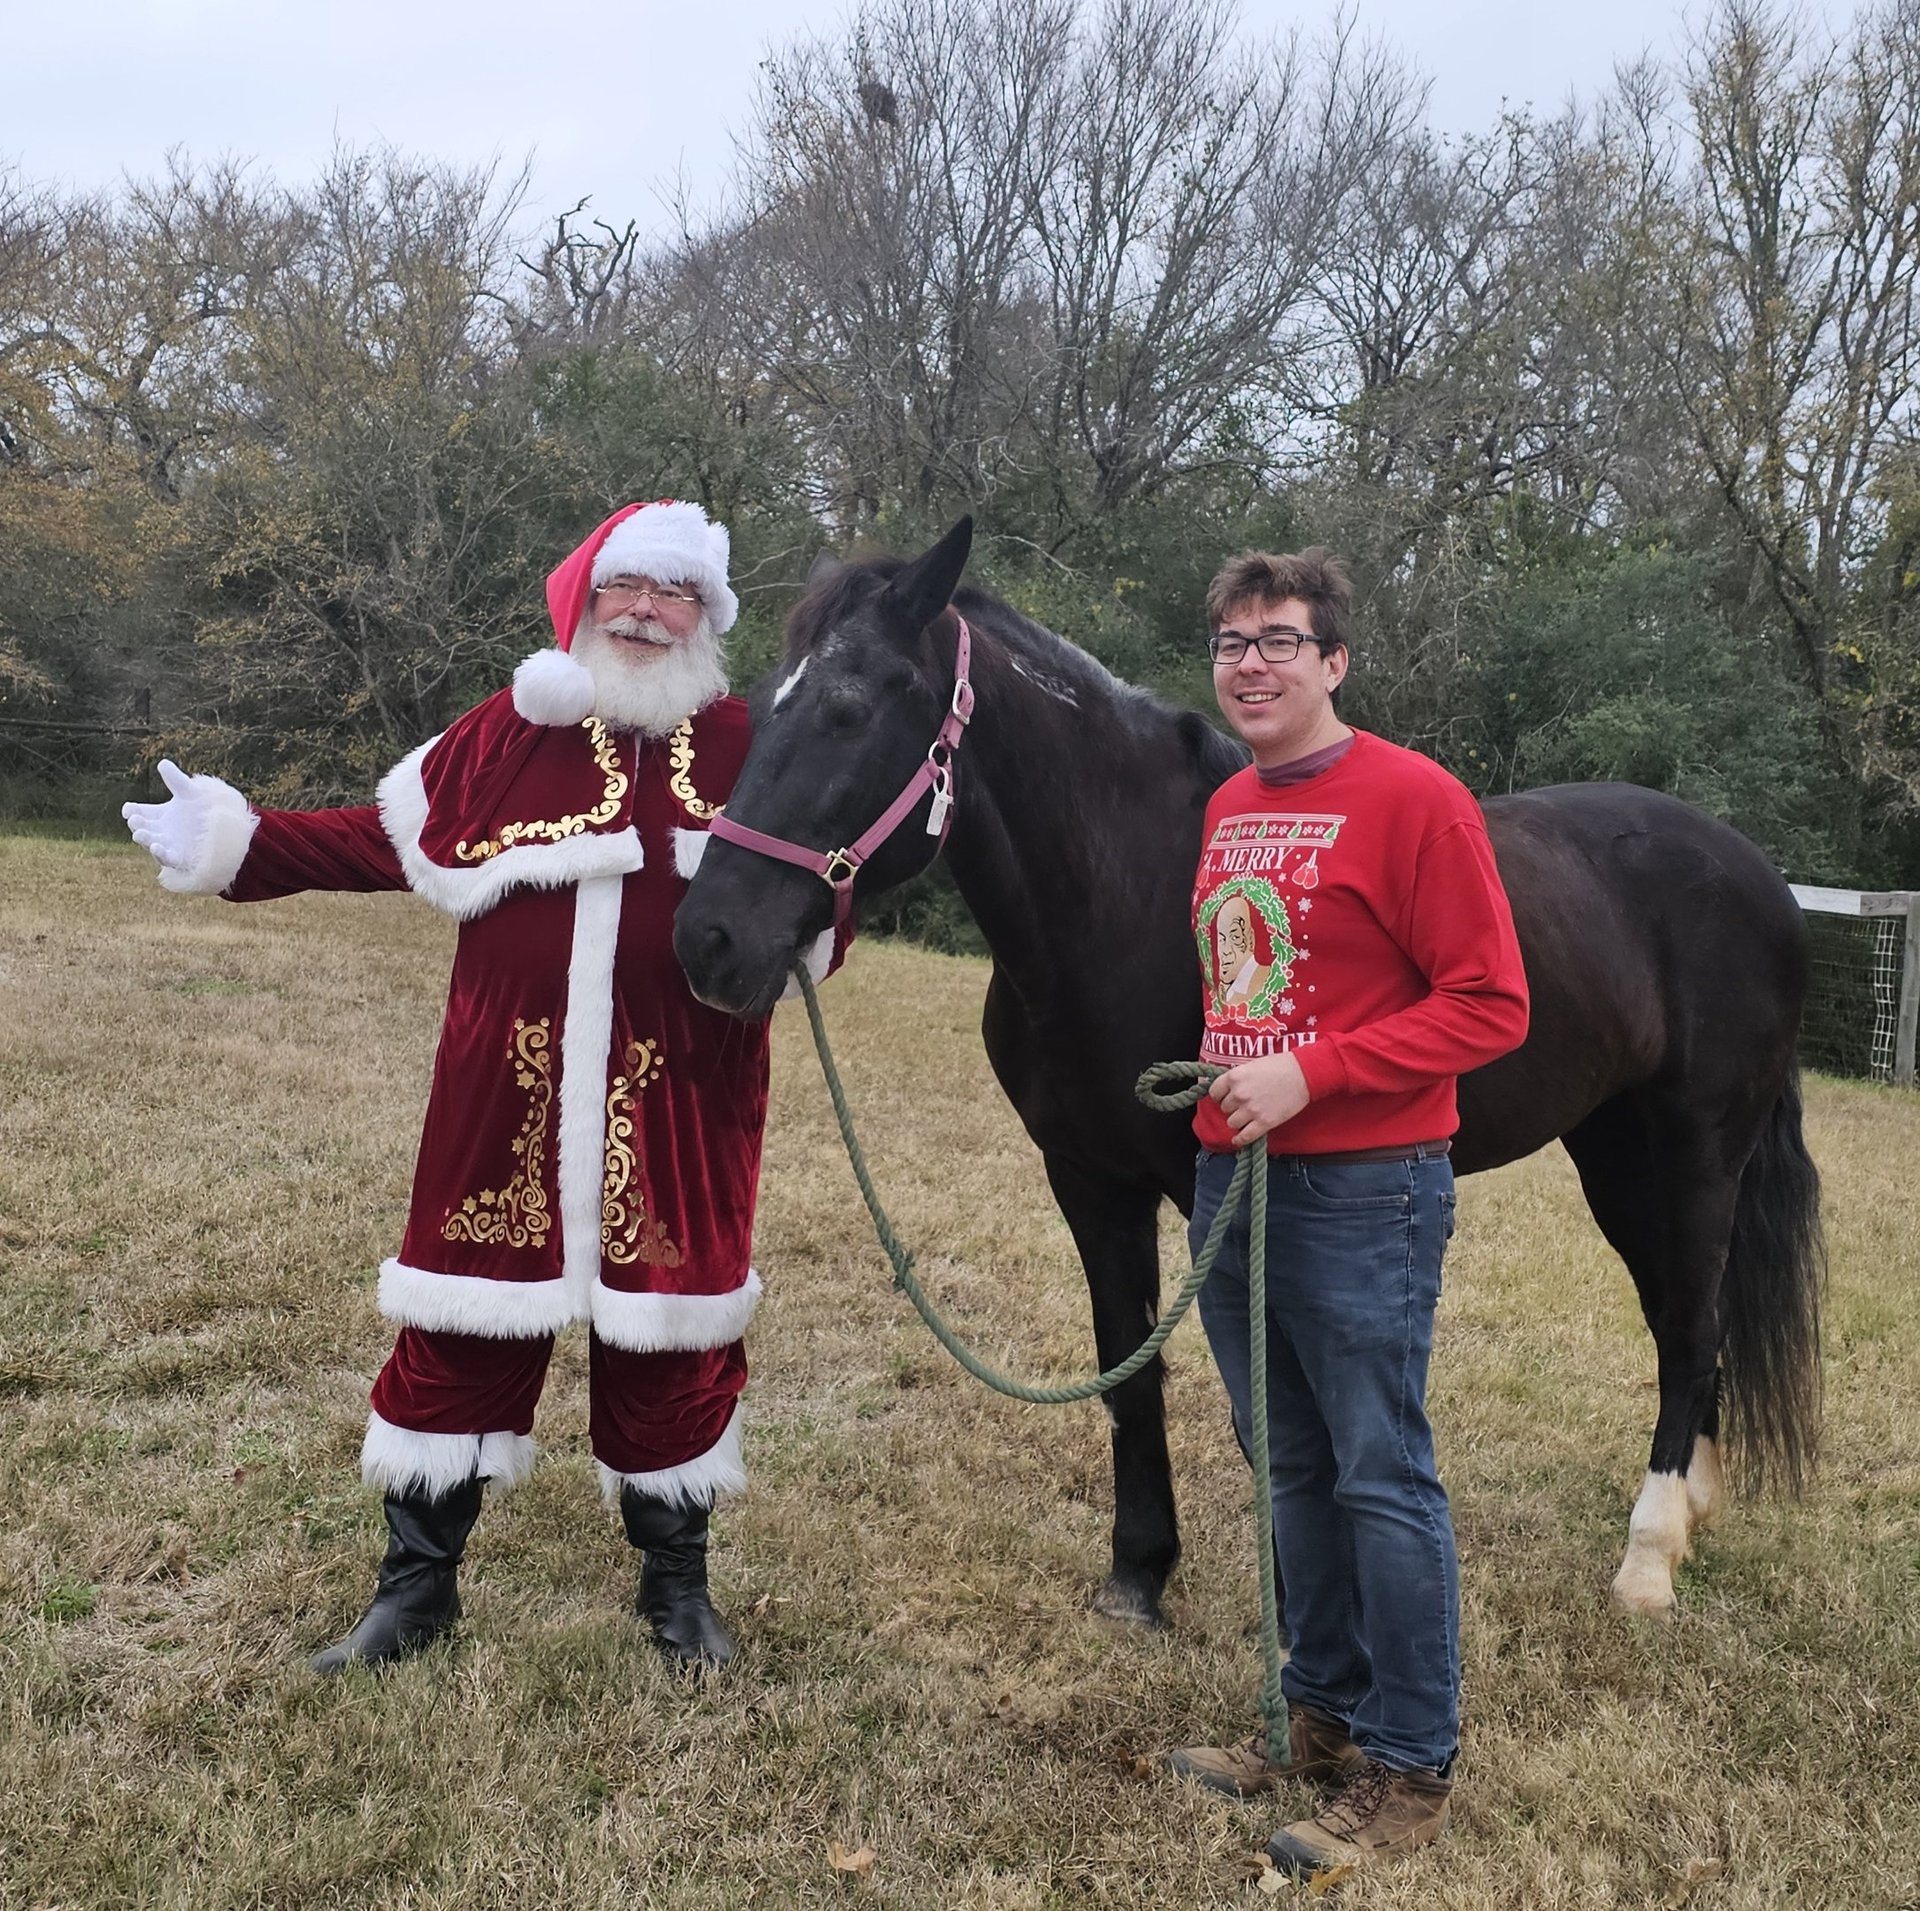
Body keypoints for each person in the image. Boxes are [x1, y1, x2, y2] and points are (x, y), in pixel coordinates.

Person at [123, 499, 836, 1675]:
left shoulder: (757, 748)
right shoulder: (511, 733)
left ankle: (677, 1593)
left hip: (684, 1105)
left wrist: (816, 931)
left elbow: (819, 886)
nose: (645, 614)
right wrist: (236, 840)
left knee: (673, 1343)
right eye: (626, 589)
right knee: (458, 1329)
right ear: (589, 599)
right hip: (502, 1102)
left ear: (706, 617)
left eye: (674, 595)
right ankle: (415, 1593)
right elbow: (380, 839)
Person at [1165, 549, 1529, 1880]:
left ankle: (1411, 1761)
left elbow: (1492, 1002)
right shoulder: (1229, 804)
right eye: (1231, 641)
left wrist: (1312, 1072)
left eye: (1279, 640)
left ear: (1334, 661)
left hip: (1365, 1186)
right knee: (1288, 1459)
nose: (1249, 663)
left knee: (1380, 1470)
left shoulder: (1415, 799)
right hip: (1236, 1177)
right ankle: (1318, 1709)